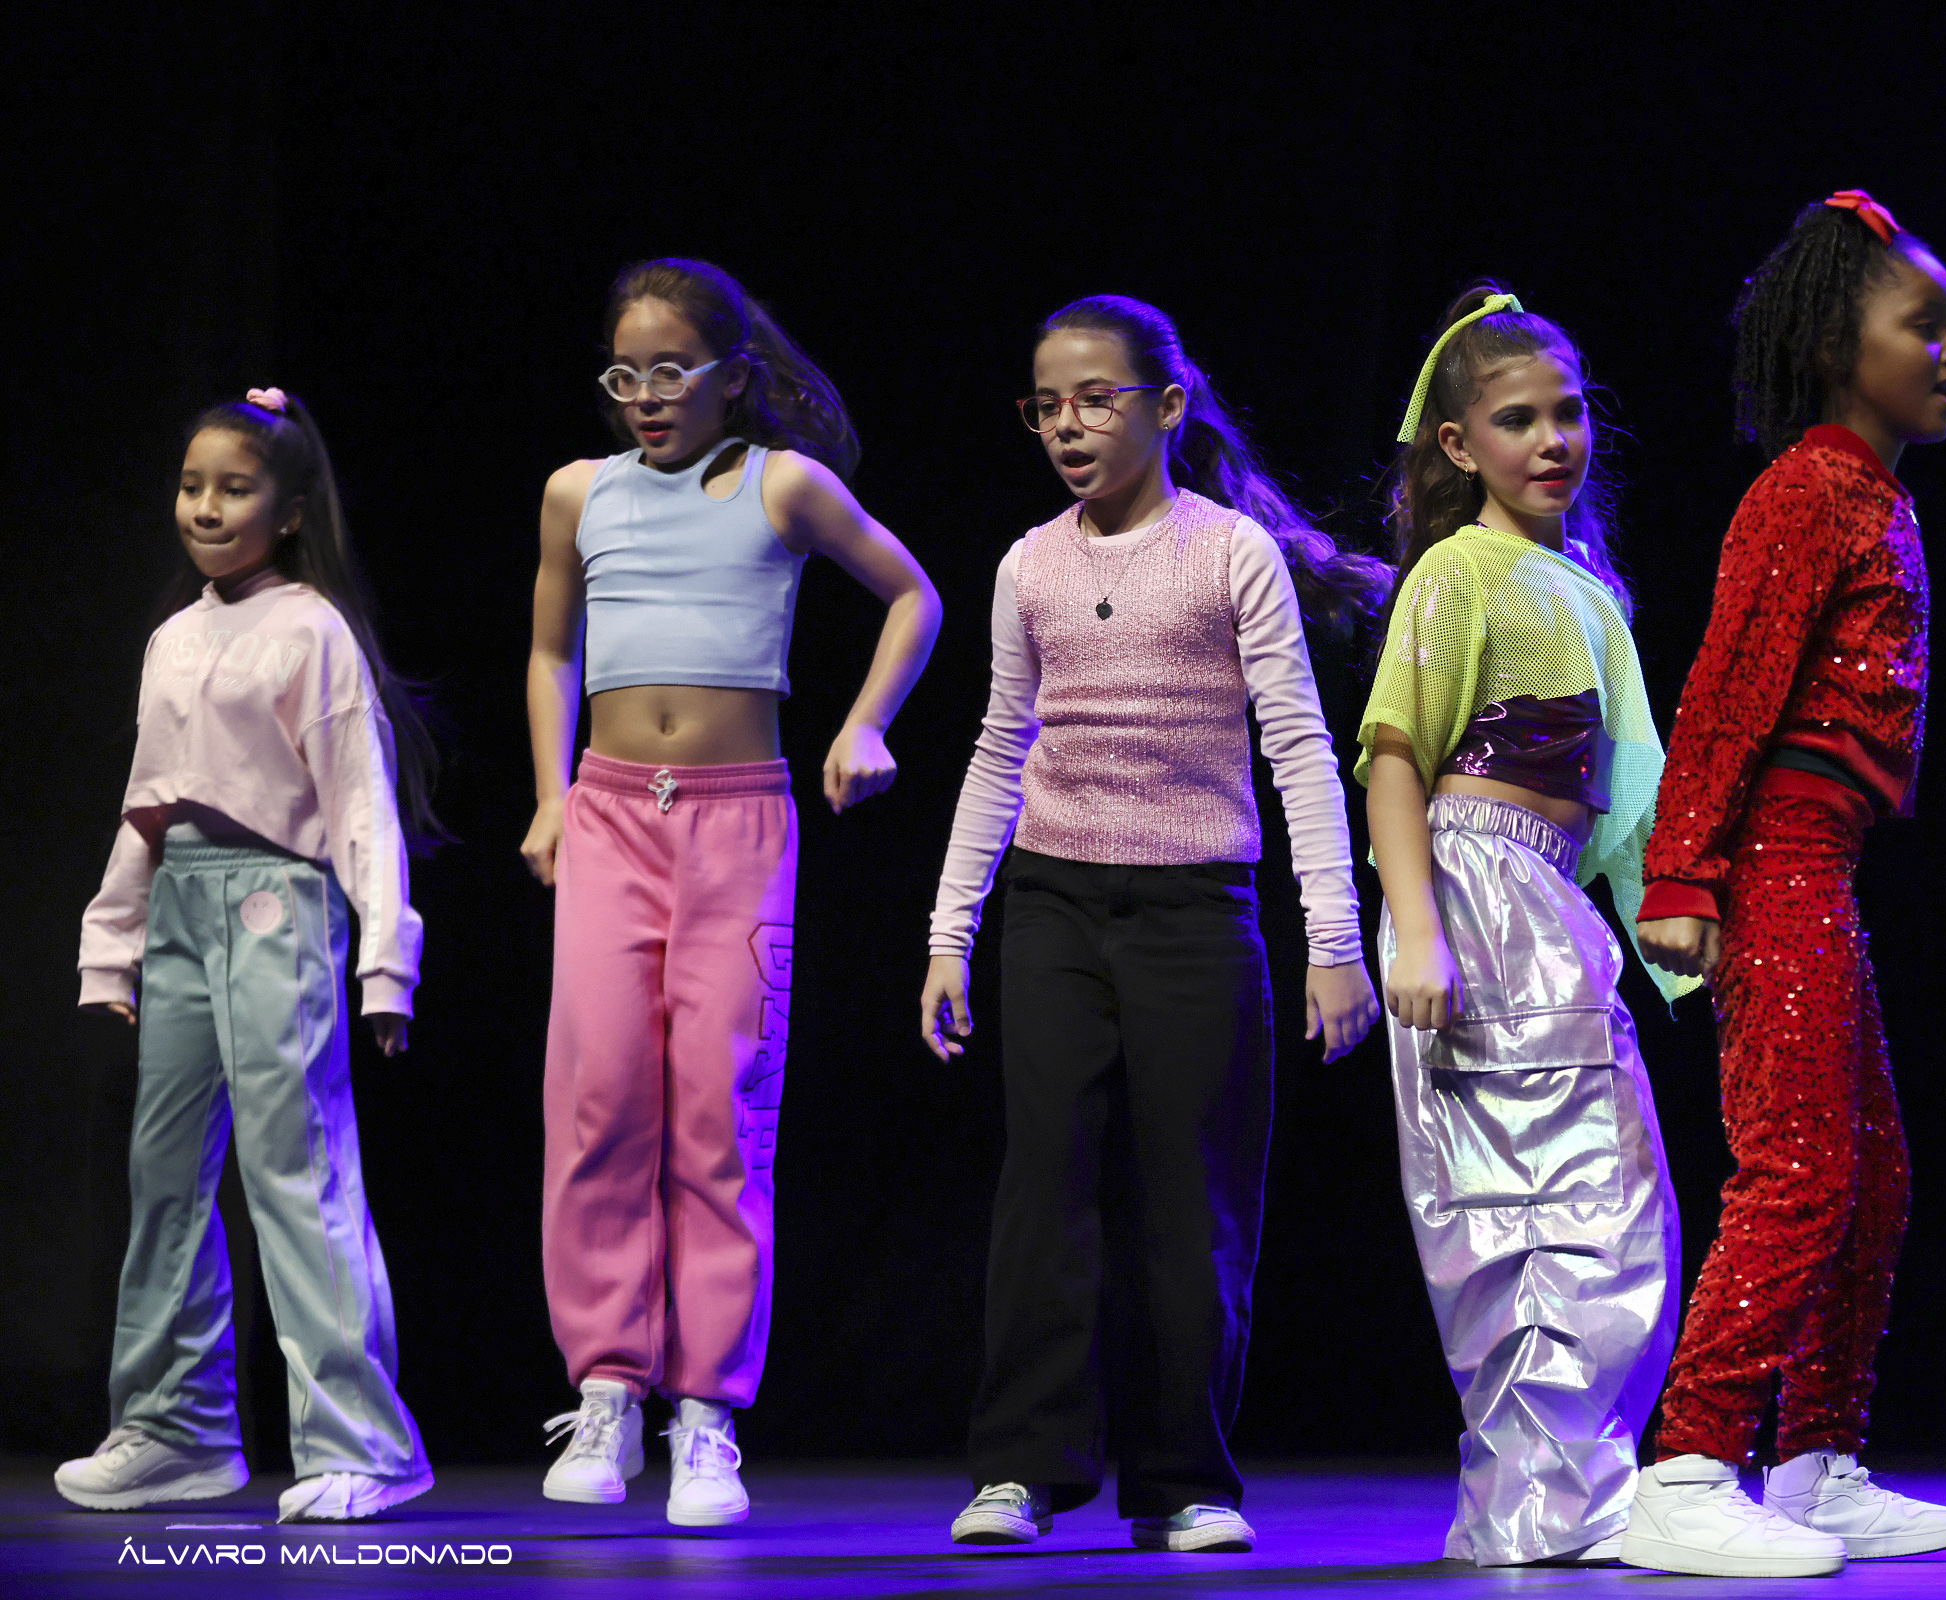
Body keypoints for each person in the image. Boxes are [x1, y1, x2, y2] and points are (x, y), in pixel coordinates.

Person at [921, 294, 1383, 1553]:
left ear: (1167, 407)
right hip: (1054, 902)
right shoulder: (1028, 563)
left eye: (1095, 399)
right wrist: (950, 931)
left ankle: (1185, 1479)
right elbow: (999, 744)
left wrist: (1334, 941)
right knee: (1045, 1187)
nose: (1067, 426)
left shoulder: (1230, 552)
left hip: (1197, 906)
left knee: (1197, 1199)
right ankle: (1022, 1468)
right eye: (1046, 406)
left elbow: (1298, 745)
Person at [524, 258, 940, 1526]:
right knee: (599, 1096)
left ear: (732, 376)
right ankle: (607, 1385)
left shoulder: (782, 484)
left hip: (738, 822)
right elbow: (550, 648)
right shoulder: (579, 492)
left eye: (671, 370)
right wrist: (550, 795)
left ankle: (706, 1410)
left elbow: (912, 595)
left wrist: (864, 725)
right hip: (608, 814)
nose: (646, 396)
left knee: (720, 1105)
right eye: (625, 374)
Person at [1620, 191, 1946, 1578]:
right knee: (1802, 1164)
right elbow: (1724, 692)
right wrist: (1683, 873)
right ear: (1838, 344)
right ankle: (1688, 1465)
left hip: (1821, 860)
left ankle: (1817, 1464)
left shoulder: (1869, 492)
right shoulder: (1805, 491)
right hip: (1773, 859)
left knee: (1870, 1173)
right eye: (1922, 325)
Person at [1360, 285, 1696, 1566]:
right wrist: (1418, 930)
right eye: (1518, 420)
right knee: (1522, 1207)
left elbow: (1627, 797)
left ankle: (1547, 1498)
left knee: (1594, 1201)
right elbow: (1395, 756)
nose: (1554, 439)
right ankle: (1544, 1501)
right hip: (1478, 895)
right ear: (1458, 445)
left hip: (1546, 900)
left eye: (1568, 413)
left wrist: (1678, 921)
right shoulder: (1459, 571)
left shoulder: (1579, 585)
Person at [63, 388, 440, 1524]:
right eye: (192, 486)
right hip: (181, 905)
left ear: (290, 509)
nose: (207, 507)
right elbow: (148, 803)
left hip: (280, 901)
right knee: (166, 1173)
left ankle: (362, 1441)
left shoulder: (310, 629)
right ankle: (177, 1426)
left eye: (234, 488)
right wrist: (110, 943)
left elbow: (361, 802)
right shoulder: (174, 637)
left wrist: (386, 961)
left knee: (296, 1169)